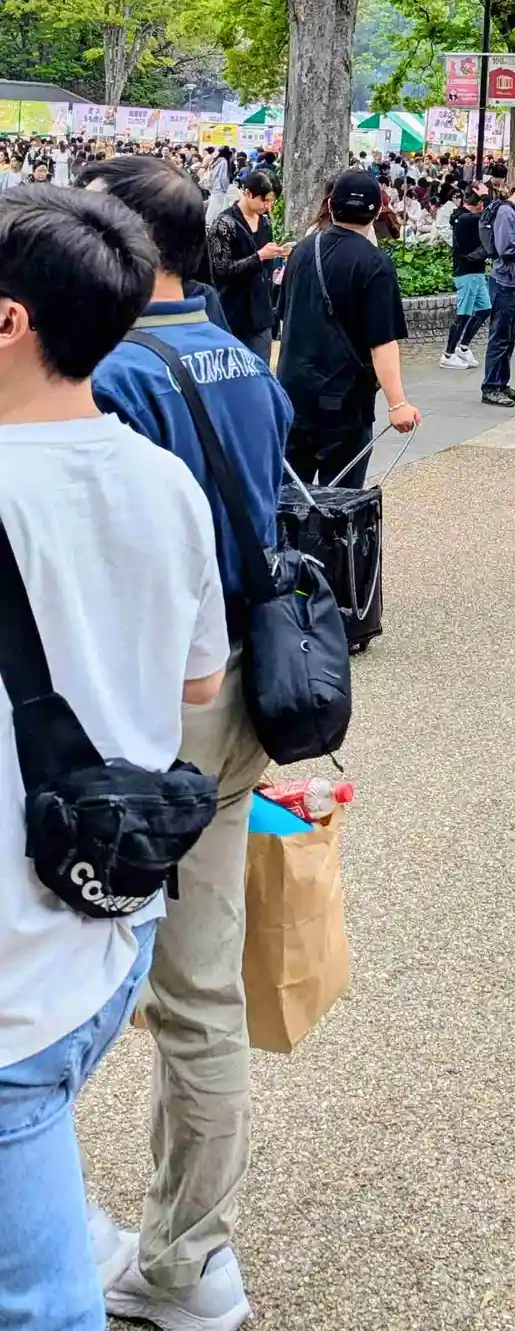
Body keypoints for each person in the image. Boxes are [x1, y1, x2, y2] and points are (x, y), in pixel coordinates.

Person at [0, 189, 228, 1331]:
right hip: (111, 921)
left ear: (8, 322)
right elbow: (200, 685)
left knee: (40, 1305)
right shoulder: (162, 480)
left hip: (13, 971)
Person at [81, 156, 292, 1330]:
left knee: (59, 979)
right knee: (201, 991)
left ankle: (61, 1225)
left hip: (149, 698)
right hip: (243, 690)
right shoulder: (235, 356)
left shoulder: (108, 374)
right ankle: (189, 1255)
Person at [277, 168, 420, 478]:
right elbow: (382, 341)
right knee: (342, 498)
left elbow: (285, 317)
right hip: (344, 401)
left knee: (289, 496)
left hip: (293, 394)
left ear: (330, 205)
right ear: (378, 211)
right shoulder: (375, 263)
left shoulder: (302, 251)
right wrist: (397, 404)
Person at [205, 167, 287, 360]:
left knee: (260, 367)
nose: (268, 206)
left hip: (261, 312)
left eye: (272, 201)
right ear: (248, 193)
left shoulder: (264, 222)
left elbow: (266, 267)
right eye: (264, 200)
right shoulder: (224, 224)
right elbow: (221, 270)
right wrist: (259, 257)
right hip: (233, 313)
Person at [479, 174, 515, 407]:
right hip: (504, 281)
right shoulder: (507, 212)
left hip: (513, 280)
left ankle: (501, 382)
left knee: (508, 337)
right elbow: (506, 247)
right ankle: (491, 386)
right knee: (499, 336)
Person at [441, 183, 491, 369]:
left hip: (476, 270)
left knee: (484, 309)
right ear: (479, 204)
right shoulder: (466, 219)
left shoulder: (464, 216)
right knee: (463, 313)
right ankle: (448, 354)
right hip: (466, 271)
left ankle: (463, 348)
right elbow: (491, 215)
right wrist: (486, 197)